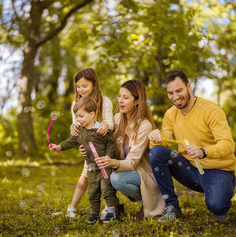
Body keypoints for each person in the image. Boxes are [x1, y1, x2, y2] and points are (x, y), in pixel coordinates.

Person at [148, 70, 236, 222]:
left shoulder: (211, 110)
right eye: (170, 93)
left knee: (218, 207)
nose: (175, 96)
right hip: (189, 169)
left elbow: (228, 144)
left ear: (189, 86)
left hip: (217, 169)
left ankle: (219, 195)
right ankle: (172, 207)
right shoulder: (170, 114)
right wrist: (156, 138)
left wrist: (203, 152)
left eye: (179, 90)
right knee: (157, 152)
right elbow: (166, 142)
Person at [95, 80, 166, 219]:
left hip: (144, 173)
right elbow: (103, 142)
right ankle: (113, 204)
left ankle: (147, 203)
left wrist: (113, 163)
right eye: (119, 96)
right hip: (128, 170)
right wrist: (87, 146)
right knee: (101, 166)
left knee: (116, 178)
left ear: (137, 101)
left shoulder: (144, 125)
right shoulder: (116, 119)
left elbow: (132, 162)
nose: (120, 101)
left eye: (126, 98)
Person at [50, 96, 118, 224]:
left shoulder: (100, 129)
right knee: (92, 192)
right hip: (91, 168)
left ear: (92, 114)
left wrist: (108, 156)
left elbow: (111, 143)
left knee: (106, 190)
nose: (77, 120)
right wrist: (59, 146)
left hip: (104, 166)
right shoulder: (80, 131)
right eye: (76, 116)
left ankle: (111, 212)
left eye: (81, 116)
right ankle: (94, 215)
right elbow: (71, 141)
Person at [66, 68, 116, 219]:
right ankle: (72, 208)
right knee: (86, 175)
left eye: (85, 86)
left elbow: (110, 123)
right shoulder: (76, 102)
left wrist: (106, 124)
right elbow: (77, 125)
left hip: (103, 145)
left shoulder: (104, 101)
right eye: (78, 86)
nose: (81, 89)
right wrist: (72, 128)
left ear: (94, 84)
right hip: (89, 147)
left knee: (106, 175)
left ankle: (108, 209)